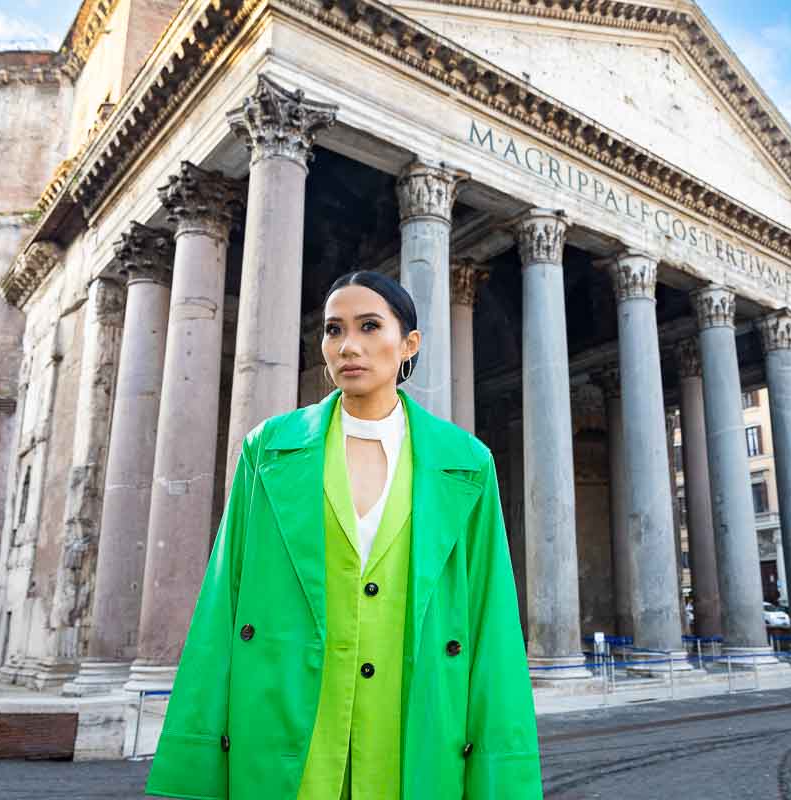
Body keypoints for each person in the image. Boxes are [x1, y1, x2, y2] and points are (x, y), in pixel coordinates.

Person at [145, 271, 542, 799]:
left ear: (409, 345)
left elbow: (493, 629)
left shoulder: (466, 463)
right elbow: (222, 604)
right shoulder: (268, 450)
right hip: (284, 731)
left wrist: (502, 778)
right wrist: (194, 759)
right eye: (334, 330)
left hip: (417, 735)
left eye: (370, 326)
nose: (347, 345)